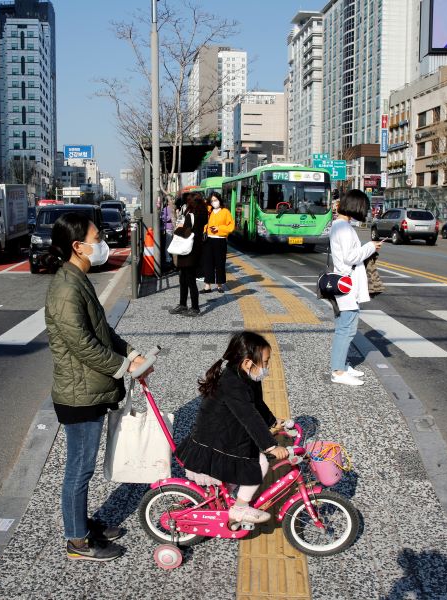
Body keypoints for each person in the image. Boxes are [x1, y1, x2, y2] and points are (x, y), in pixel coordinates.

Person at [42, 212, 152, 562]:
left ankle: (82, 524)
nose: (101, 242)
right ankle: (77, 540)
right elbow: (84, 346)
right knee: (79, 467)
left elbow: (103, 331)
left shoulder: (78, 278)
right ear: (78, 246)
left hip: (89, 389)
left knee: (82, 465)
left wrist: (132, 354)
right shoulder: (65, 289)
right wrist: (124, 367)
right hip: (80, 394)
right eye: (96, 237)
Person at [176, 331, 290, 524]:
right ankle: (240, 508)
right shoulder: (232, 384)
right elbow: (249, 417)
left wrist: (273, 422)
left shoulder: (245, 376)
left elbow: (257, 405)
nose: (267, 367)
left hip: (225, 435)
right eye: (265, 362)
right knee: (259, 462)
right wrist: (271, 446)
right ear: (247, 362)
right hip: (213, 442)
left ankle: (227, 496)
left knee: (247, 458)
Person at [329, 189, 382, 386]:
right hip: (347, 284)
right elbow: (350, 257)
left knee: (347, 327)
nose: (365, 211)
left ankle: (342, 364)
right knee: (346, 329)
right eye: (364, 207)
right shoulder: (343, 228)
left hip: (346, 282)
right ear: (356, 206)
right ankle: (338, 371)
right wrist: (370, 247)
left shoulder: (340, 225)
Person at [170, 192, 209, 317]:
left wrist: (178, 229)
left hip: (187, 251)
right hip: (194, 249)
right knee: (185, 278)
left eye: (187, 201)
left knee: (188, 279)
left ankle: (194, 307)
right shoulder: (202, 214)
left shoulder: (190, 215)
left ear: (191, 202)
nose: (185, 203)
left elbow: (185, 232)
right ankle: (183, 304)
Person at [202, 191, 235, 293]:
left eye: (215, 200)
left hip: (220, 240)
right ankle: (207, 286)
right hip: (209, 240)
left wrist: (219, 228)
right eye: (212, 201)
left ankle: (220, 285)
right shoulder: (209, 211)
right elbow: (205, 222)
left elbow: (231, 226)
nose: (213, 202)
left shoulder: (226, 212)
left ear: (219, 200)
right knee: (208, 263)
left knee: (220, 263)